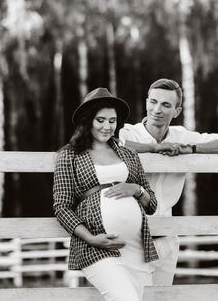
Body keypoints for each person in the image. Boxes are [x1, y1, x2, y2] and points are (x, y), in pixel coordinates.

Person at [119, 78, 218, 286]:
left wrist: (190, 149)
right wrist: (153, 148)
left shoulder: (181, 136)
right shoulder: (127, 132)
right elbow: (110, 143)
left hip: (166, 240)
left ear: (176, 111)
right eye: (154, 102)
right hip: (130, 240)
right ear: (146, 102)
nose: (157, 109)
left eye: (166, 105)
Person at [53, 87, 159, 301]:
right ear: (88, 120)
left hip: (137, 248)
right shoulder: (69, 155)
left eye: (112, 121)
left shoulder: (128, 154)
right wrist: (92, 239)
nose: (107, 126)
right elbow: (62, 207)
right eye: (100, 120)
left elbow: (152, 205)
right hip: (97, 247)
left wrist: (136, 190)